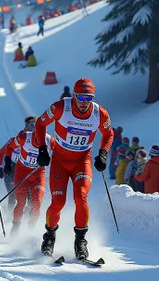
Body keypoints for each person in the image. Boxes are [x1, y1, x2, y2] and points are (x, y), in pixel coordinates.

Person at [35, 78, 113, 259]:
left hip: (82, 161)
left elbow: (109, 133)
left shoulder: (99, 113)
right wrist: (42, 149)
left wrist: (102, 153)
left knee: (80, 196)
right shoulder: (60, 107)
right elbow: (40, 123)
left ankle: (80, 241)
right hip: (59, 162)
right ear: (74, 95)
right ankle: (49, 236)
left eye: (89, 98)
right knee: (58, 203)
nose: (85, 103)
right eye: (81, 98)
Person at [5, 117, 53, 235]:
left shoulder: (50, 140)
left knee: (36, 204)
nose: (39, 140)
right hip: (21, 173)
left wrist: (50, 159)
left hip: (38, 175)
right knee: (21, 202)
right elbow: (9, 146)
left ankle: (30, 231)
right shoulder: (24, 137)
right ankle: (15, 227)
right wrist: (7, 162)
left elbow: (60, 152)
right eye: (37, 137)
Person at [0, 135, 20, 211]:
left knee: (24, 194)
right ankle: (9, 213)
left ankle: (24, 212)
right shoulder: (12, 142)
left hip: (22, 169)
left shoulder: (31, 143)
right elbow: (0, 153)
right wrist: (0, 167)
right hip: (9, 168)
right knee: (12, 194)